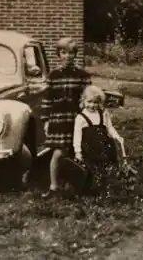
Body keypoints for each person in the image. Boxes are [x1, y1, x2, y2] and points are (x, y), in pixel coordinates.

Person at [41, 38, 92, 199]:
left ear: (75, 55)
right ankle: (54, 186)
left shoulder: (82, 75)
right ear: (58, 54)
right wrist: (46, 120)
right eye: (64, 52)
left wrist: (87, 117)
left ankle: (77, 185)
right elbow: (47, 99)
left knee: (78, 151)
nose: (67, 56)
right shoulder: (53, 76)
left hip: (77, 119)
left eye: (71, 53)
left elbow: (88, 96)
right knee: (58, 152)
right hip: (59, 119)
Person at [72, 85, 128, 193]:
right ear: (83, 101)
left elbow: (109, 128)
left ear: (100, 103)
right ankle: (87, 188)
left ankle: (103, 186)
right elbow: (77, 136)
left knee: (104, 166)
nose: (92, 105)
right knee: (90, 168)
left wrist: (117, 137)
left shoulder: (103, 114)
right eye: (89, 102)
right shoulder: (81, 118)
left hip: (103, 145)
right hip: (89, 148)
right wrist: (77, 151)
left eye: (96, 102)